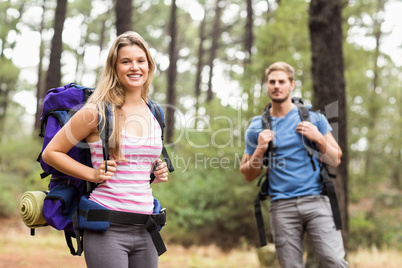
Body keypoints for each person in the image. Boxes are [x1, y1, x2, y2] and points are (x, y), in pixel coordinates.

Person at [42, 31, 169, 268]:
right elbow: (52, 152)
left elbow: (135, 164)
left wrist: (155, 171)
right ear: (115, 66)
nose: (134, 67)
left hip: (147, 227)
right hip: (106, 227)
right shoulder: (96, 111)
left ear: (149, 65)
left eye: (140, 60)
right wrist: (92, 174)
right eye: (126, 61)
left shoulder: (155, 112)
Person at [240, 62, 348, 267]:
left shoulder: (314, 118)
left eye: (282, 81)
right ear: (266, 85)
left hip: (317, 201)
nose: (276, 86)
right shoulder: (257, 126)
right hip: (282, 206)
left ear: (292, 85)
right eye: (272, 82)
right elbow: (247, 174)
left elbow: (336, 159)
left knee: (333, 260)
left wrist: (318, 138)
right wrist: (260, 149)